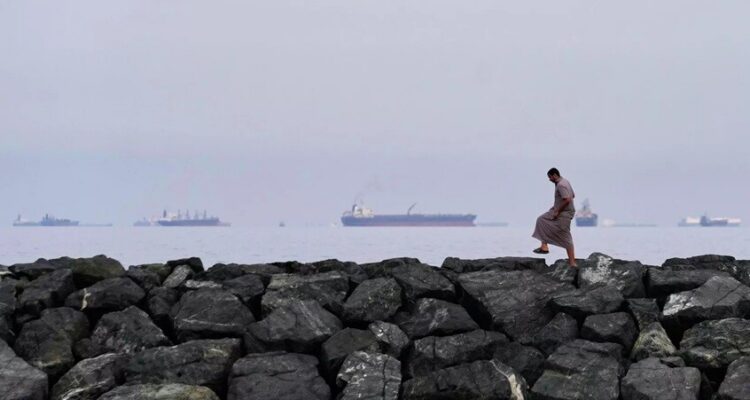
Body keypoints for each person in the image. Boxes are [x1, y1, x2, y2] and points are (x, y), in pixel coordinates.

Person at [532, 168, 577, 266]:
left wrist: (558, 210)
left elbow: (567, 199)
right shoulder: (565, 181)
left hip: (565, 213)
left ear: (555, 175)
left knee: (565, 236)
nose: (549, 179)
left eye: (550, 177)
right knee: (541, 220)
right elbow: (573, 195)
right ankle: (544, 246)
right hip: (559, 209)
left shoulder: (561, 185)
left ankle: (572, 262)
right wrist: (556, 207)